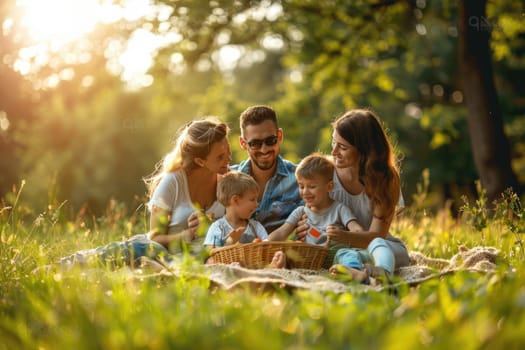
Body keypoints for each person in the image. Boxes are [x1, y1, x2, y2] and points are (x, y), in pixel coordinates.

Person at [57, 117, 231, 270]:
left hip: (196, 260)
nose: (229, 159)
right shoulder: (173, 183)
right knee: (137, 249)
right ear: (200, 161)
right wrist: (186, 235)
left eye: (229, 152)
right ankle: (65, 265)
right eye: (220, 157)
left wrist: (209, 228)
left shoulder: (229, 182)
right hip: (162, 251)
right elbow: (155, 237)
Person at [302, 108, 409, 284]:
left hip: (378, 248)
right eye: (333, 142)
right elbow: (310, 210)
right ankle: (361, 274)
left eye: (343, 147)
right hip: (340, 251)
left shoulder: (386, 179)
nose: (334, 151)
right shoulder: (324, 172)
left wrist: (346, 237)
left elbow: (377, 235)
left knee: (379, 247)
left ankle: (383, 273)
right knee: (344, 255)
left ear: (365, 151)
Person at [230, 105, 303, 233]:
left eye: (270, 141)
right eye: (255, 144)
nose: (264, 150)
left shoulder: (301, 178)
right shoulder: (227, 180)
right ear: (243, 143)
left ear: (279, 136)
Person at [269, 152, 363, 244]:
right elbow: (282, 232)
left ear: (329, 187)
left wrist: (344, 235)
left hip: (335, 255)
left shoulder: (339, 209)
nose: (305, 192)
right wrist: (264, 242)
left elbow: (358, 230)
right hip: (310, 257)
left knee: (346, 255)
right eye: (301, 186)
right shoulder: (301, 211)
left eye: (312, 187)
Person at [203, 171, 268, 248]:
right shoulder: (218, 227)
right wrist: (230, 242)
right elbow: (211, 254)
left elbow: (267, 246)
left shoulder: (256, 227)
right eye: (252, 199)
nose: (257, 204)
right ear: (235, 200)